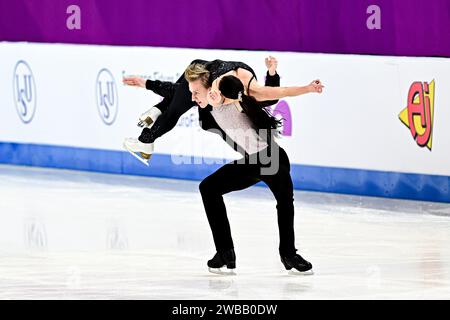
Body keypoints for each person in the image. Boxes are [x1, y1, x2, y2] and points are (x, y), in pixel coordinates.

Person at [188, 72, 323, 274]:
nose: (197, 97)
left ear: (222, 93)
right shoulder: (232, 104)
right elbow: (280, 92)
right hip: (261, 160)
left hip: (270, 160)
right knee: (209, 188)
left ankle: (287, 254)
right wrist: (307, 87)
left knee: (284, 202)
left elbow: (281, 92)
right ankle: (228, 253)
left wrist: (308, 88)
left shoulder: (235, 106)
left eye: (199, 93)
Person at [122, 57, 287, 164]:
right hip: (205, 73)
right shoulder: (207, 85)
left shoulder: (239, 95)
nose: (194, 98)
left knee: (192, 113)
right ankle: (149, 134)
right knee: (180, 104)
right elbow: (177, 91)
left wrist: (272, 72)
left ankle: (155, 116)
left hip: (211, 89)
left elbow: (272, 97)